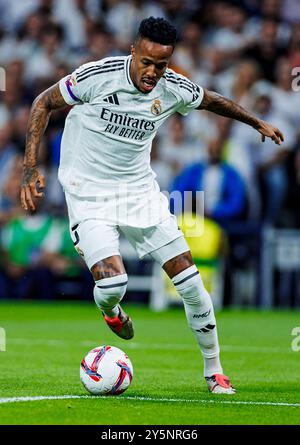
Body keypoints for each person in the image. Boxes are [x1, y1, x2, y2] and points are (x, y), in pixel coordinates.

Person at [20, 17, 284, 395]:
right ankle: (111, 311)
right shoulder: (97, 76)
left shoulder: (172, 87)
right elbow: (42, 103)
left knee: (193, 285)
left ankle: (214, 371)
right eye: (146, 62)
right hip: (88, 193)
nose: (152, 72)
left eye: (161, 65)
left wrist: (256, 121)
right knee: (114, 284)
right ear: (133, 51)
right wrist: (30, 168)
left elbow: (211, 100)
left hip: (140, 193)